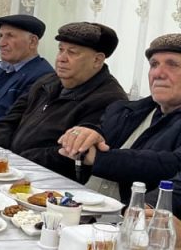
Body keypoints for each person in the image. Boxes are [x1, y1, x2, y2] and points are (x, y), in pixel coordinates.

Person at [58, 34, 181, 215]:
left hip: (124, 219)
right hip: (77, 206)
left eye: (173, 65)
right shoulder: (123, 109)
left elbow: (171, 165)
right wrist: (84, 136)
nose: (158, 74)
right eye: (154, 64)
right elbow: (98, 138)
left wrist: (98, 158)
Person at [0, 22, 126, 180]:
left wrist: (18, 161)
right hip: (10, 170)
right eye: (61, 50)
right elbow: (9, 121)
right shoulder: (47, 81)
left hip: (48, 181)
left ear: (97, 60)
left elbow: (70, 153)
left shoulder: (109, 100)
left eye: (72, 52)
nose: (61, 58)